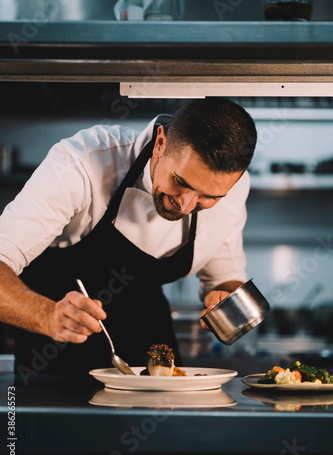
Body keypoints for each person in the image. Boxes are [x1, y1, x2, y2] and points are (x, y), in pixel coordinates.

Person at [0, 98, 257, 376]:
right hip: (55, 348)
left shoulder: (233, 188)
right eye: (180, 183)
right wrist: (47, 315)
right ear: (161, 143)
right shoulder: (82, 163)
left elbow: (225, 279)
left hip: (151, 345)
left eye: (209, 197)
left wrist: (225, 299)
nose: (185, 205)